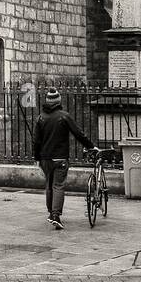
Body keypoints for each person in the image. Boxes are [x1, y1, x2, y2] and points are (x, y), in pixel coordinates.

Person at [31, 86, 93, 230]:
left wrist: (37, 157)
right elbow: (78, 134)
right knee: (58, 185)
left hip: (45, 158)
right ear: (58, 101)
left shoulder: (40, 118)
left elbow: (36, 141)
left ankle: (50, 212)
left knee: (49, 185)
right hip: (60, 158)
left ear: (47, 101)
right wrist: (91, 146)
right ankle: (55, 215)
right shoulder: (64, 116)